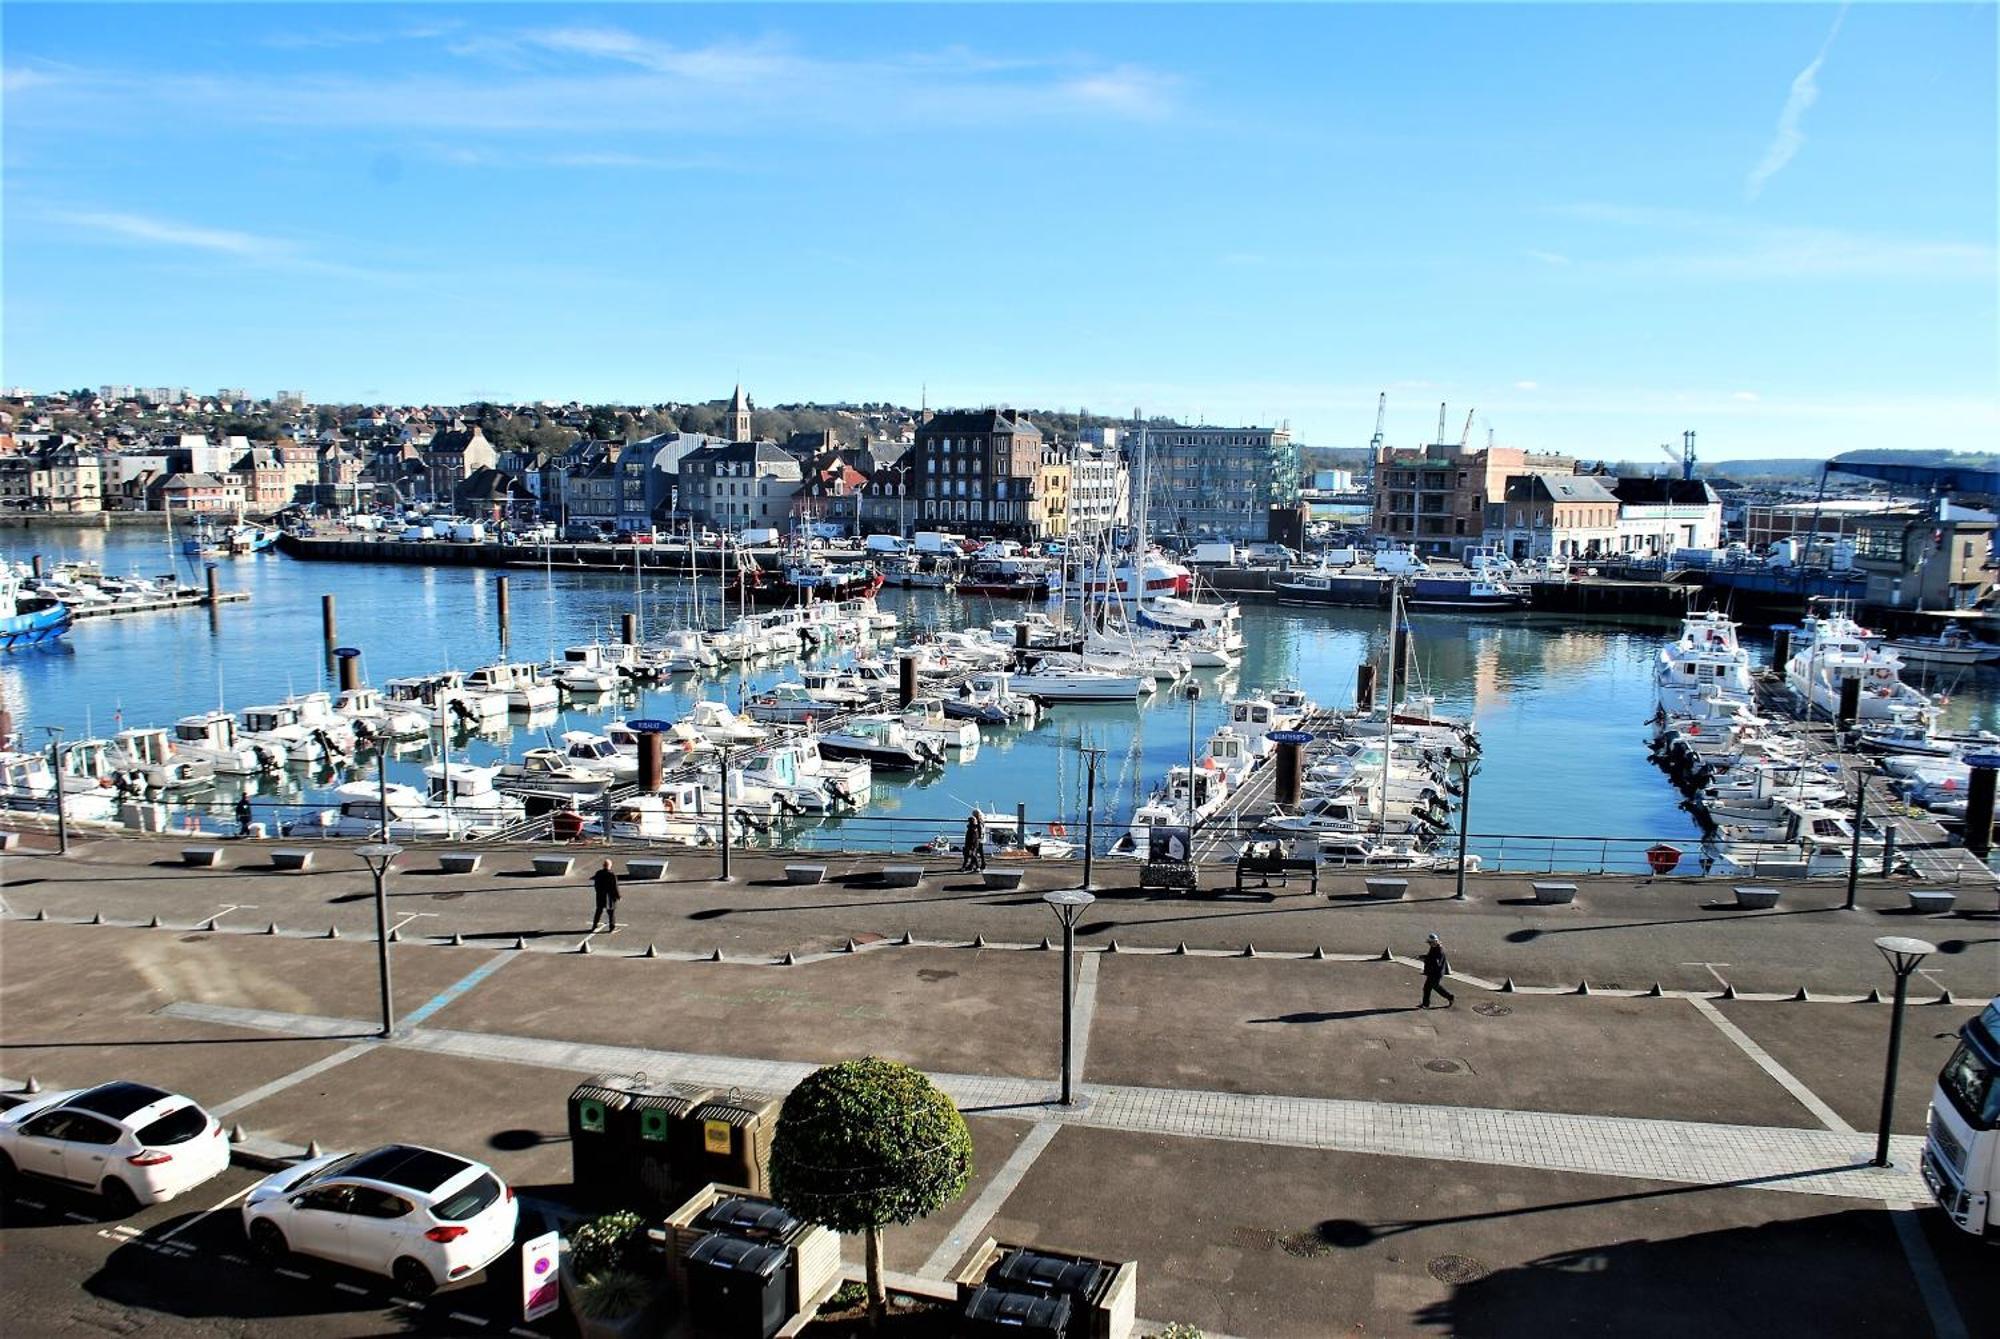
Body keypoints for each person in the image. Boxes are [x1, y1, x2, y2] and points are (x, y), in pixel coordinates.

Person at [1420, 932, 1455, 1009]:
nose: (1429, 944)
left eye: (1430, 942)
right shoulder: (1434, 948)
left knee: (1434, 987)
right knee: (1428, 988)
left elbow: (1435, 963)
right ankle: (1425, 1004)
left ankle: (1450, 997)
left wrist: (1425, 959)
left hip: (1436, 973)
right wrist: (1425, 957)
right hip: (1433, 972)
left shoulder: (1438, 951)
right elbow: (1431, 957)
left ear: (1434, 942)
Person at [590, 859, 622, 934]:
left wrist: (598, 892)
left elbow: (596, 884)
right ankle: (612, 927)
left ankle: (594, 926)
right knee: (611, 912)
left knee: (598, 911)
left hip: (600, 895)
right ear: (610, 866)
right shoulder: (612, 875)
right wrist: (618, 896)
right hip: (609, 897)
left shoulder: (598, 873)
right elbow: (615, 887)